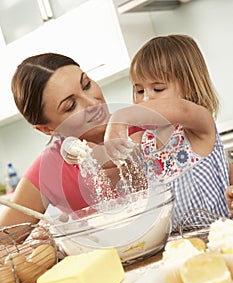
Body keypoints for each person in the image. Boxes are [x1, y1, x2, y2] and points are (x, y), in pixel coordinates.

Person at [0, 52, 144, 241]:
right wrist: (43, 236)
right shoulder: (50, 167)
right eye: (70, 106)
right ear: (46, 129)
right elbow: (4, 240)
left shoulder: (143, 122)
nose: (93, 103)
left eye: (87, 85)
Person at [104, 34, 232, 232]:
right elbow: (108, 167)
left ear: (189, 88)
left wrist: (120, 117)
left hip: (218, 239)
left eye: (158, 88)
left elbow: (181, 109)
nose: (145, 99)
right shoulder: (142, 142)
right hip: (173, 245)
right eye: (139, 91)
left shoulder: (199, 126)